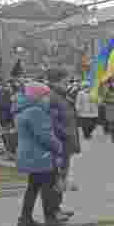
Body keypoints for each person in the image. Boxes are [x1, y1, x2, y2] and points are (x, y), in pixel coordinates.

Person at [15, 81, 65, 226]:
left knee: (33, 187)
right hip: (40, 155)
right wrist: (58, 147)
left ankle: (25, 219)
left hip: (32, 155)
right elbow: (45, 136)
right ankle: (50, 218)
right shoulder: (36, 112)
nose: (48, 99)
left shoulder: (26, 110)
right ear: (37, 97)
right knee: (48, 187)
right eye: (45, 96)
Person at [45, 69, 80, 213]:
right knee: (56, 178)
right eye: (65, 82)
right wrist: (66, 135)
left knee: (61, 177)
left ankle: (56, 208)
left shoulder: (61, 96)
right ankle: (53, 211)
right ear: (56, 82)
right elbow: (53, 122)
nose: (67, 84)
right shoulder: (52, 97)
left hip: (66, 143)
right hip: (59, 144)